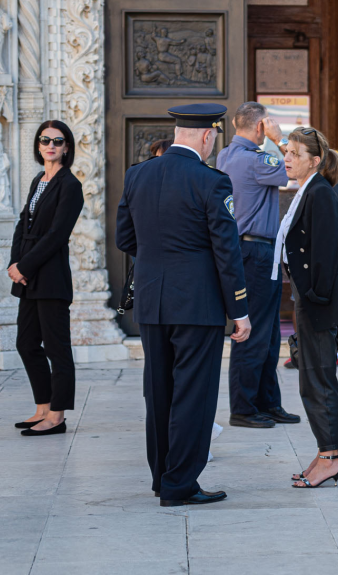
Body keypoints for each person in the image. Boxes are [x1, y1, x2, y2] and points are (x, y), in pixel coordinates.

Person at [116, 104, 251, 507]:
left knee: (159, 393)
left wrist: (160, 259)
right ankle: (180, 484)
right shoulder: (211, 181)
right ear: (207, 137)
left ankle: (162, 477)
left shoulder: (137, 174)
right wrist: (239, 310)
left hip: (153, 302)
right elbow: (227, 253)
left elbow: (126, 238)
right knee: (194, 395)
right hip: (197, 305)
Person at [275, 127, 338, 488]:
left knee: (319, 381)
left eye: (294, 153)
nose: (287, 158)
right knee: (310, 380)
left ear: (315, 160)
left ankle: (330, 457)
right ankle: (326, 452)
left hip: (318, 303)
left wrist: (313, 295)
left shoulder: (320, 193)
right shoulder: (309, 189)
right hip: (308, 300)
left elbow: (325, 252)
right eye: (286, 152)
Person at [216, 102, 301, 429]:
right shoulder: (256, 159)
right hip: (256, 251)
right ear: (261, 126)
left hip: (246, 250)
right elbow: (296, 170)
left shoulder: (226, 155)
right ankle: (244, 407)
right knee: (253, 332)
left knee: (265, 332)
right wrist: (279, 140)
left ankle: (266, 402)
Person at [8, 120, 84, 436]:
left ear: (67, 147)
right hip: (28, 274)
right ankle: (42, 407)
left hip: (50, 277)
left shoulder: (70, 185)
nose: (50, 145)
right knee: (26, 343)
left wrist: (25, 266)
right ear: (38, 146)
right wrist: (15, 262)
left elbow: (56, 236)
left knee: (57, 349)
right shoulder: (39, 179)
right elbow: (23, 224)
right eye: (45, 140)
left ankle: (57, 416)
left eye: (57, 140)